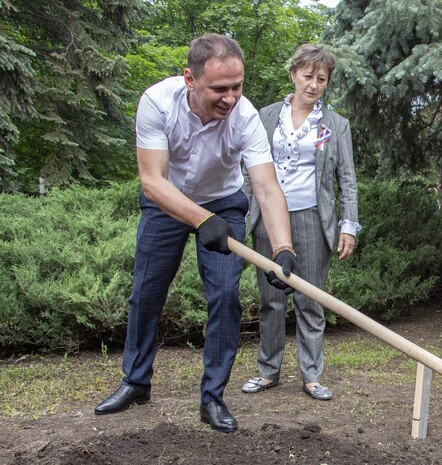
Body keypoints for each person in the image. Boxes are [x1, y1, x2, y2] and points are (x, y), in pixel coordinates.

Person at [94, 34, 298, 433]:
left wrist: (283, 248)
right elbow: (152, 181)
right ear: (190, 79)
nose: (230, 97)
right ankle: (136, 382)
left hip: (223, 204)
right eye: (219, 88)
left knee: (225, 297)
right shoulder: (156, 102)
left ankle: (212, 398)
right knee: (146, 292)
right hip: (165, 200)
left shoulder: (246, 117)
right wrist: (198, 220)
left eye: (237, 86)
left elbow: (267, 187)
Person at [240, 44, 360, 402]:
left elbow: (347, 180)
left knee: (311, 300)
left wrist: (348, 225)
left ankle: (311, 375)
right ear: (293, 74)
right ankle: (268, 371)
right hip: (266, 219)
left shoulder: (337, 126)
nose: (313, 84)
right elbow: (249, 173)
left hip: (312, 218)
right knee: (270, 300)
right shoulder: (265, 116)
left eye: (321, 79)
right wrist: (241, 216)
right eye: (307, 76)